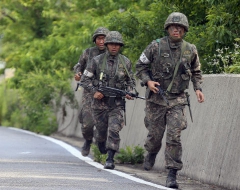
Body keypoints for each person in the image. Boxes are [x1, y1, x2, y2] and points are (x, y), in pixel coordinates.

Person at [135, 12, 205, 188]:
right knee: (155, 136)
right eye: (173, 27)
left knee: (174, 136)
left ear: (184, 30)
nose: (176, 29)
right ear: (168, 28)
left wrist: (198, 89)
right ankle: (151, 152)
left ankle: (172, 174)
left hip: (177, 100)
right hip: (156, 100)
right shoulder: (155, 46)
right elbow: (140, 67)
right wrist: (148, 81)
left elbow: (196, 71)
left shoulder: (190, 49)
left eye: (180, 27)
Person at [81, 31, 136, 169]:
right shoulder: (96, 61)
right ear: (106, 45)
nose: (114, 47)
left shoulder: (126, 62)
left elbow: (131, 82)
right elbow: (85, 80)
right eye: (111, 44)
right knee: (100, 133)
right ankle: (101, 146)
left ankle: (110, 158)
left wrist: (130, 92)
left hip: (116, 104)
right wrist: (95, 91)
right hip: (99, 105)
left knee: (114, 130)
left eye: (117, 45)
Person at [73, 27, 109, 156]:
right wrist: (78, 73)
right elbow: (78, 65)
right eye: (99, 38)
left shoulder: (112, 54)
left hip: (106, 93)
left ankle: (101, 142)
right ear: (95, 40)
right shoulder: (88, 53)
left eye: (104, 38)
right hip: (89, 92)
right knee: (87, 123)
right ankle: (88, 140)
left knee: (103, 124)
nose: (101, 41)